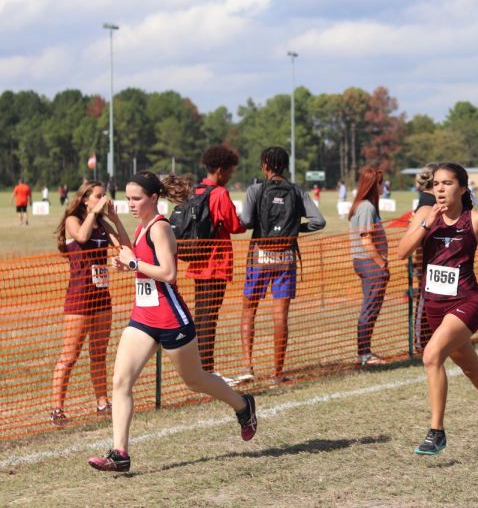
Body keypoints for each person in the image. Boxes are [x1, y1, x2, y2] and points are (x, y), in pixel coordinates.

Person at [88, 171, 257, 473]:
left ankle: (243, 406)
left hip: (170, 319)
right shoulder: (143, 228)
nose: (131, 204)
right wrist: (117, 227)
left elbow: (168, 273)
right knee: (120, 382)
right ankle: (120, 453)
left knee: (195, 381)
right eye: (127, 199)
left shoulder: (161, 228)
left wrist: (134, 264)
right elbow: (134, 252)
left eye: (136, 199)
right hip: (142, 318)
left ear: (154, 198)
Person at [397, 163, 478, 455]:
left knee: (432, 355)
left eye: (447, 183)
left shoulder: (476, 219)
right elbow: (402, 252)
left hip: (467, 303)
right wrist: (427, 223)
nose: (439, 188)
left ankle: (436, 432)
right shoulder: (425, 215)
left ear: (462, 188)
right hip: (435, 307)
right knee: (471, 367)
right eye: (436, 183)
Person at [240, 147, 326, 384]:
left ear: (265, 165)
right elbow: (319, 221)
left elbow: (246, 221)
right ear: (285, 166)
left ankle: (248, 366)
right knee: (281, 316)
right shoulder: (297, 191)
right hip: (287, 257)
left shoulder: (255, 190)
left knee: (249, 310)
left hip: (258, 257)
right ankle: (278, 372)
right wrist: (293, 230)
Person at [51, 181, 130, 426]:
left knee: (98, 354)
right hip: (79, 298)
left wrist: (115, 220)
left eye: (104, 195)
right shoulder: (73, 220)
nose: (103, 199)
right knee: (70, 355)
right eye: (98, 196)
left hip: (102, 298)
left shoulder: (103, 225)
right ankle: (57, 408)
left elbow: (125, 247)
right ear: (85, 199)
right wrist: (94, 214)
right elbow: (82, 236)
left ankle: (102, 402)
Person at [186, 145, 246, 380]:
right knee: (209, 318)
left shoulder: (196, 190)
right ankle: (207, 371)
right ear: (220, 170)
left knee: (200, 316)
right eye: (230, 172)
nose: (231, 176)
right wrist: (246, 220)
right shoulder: (220, 193)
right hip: (216, 264)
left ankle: (200, 367)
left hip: (197, 263)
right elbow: (234, 225)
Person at [349, 167, 391, 367]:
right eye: (381, 183)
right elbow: (366, 239)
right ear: (374, 185)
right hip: (369, 263)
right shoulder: (367, 207)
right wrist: (381, 263)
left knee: (371, 308)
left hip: (367, 263)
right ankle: (364, 354)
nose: (383, 186)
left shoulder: (366, 206)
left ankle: (365, 352)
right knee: (369, 308)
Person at [412, 163, 439, 353]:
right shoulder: (427, 202)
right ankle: (421, 342)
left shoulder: (431, 199)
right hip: (425, 260)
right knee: (425, 300)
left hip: (433, 260)